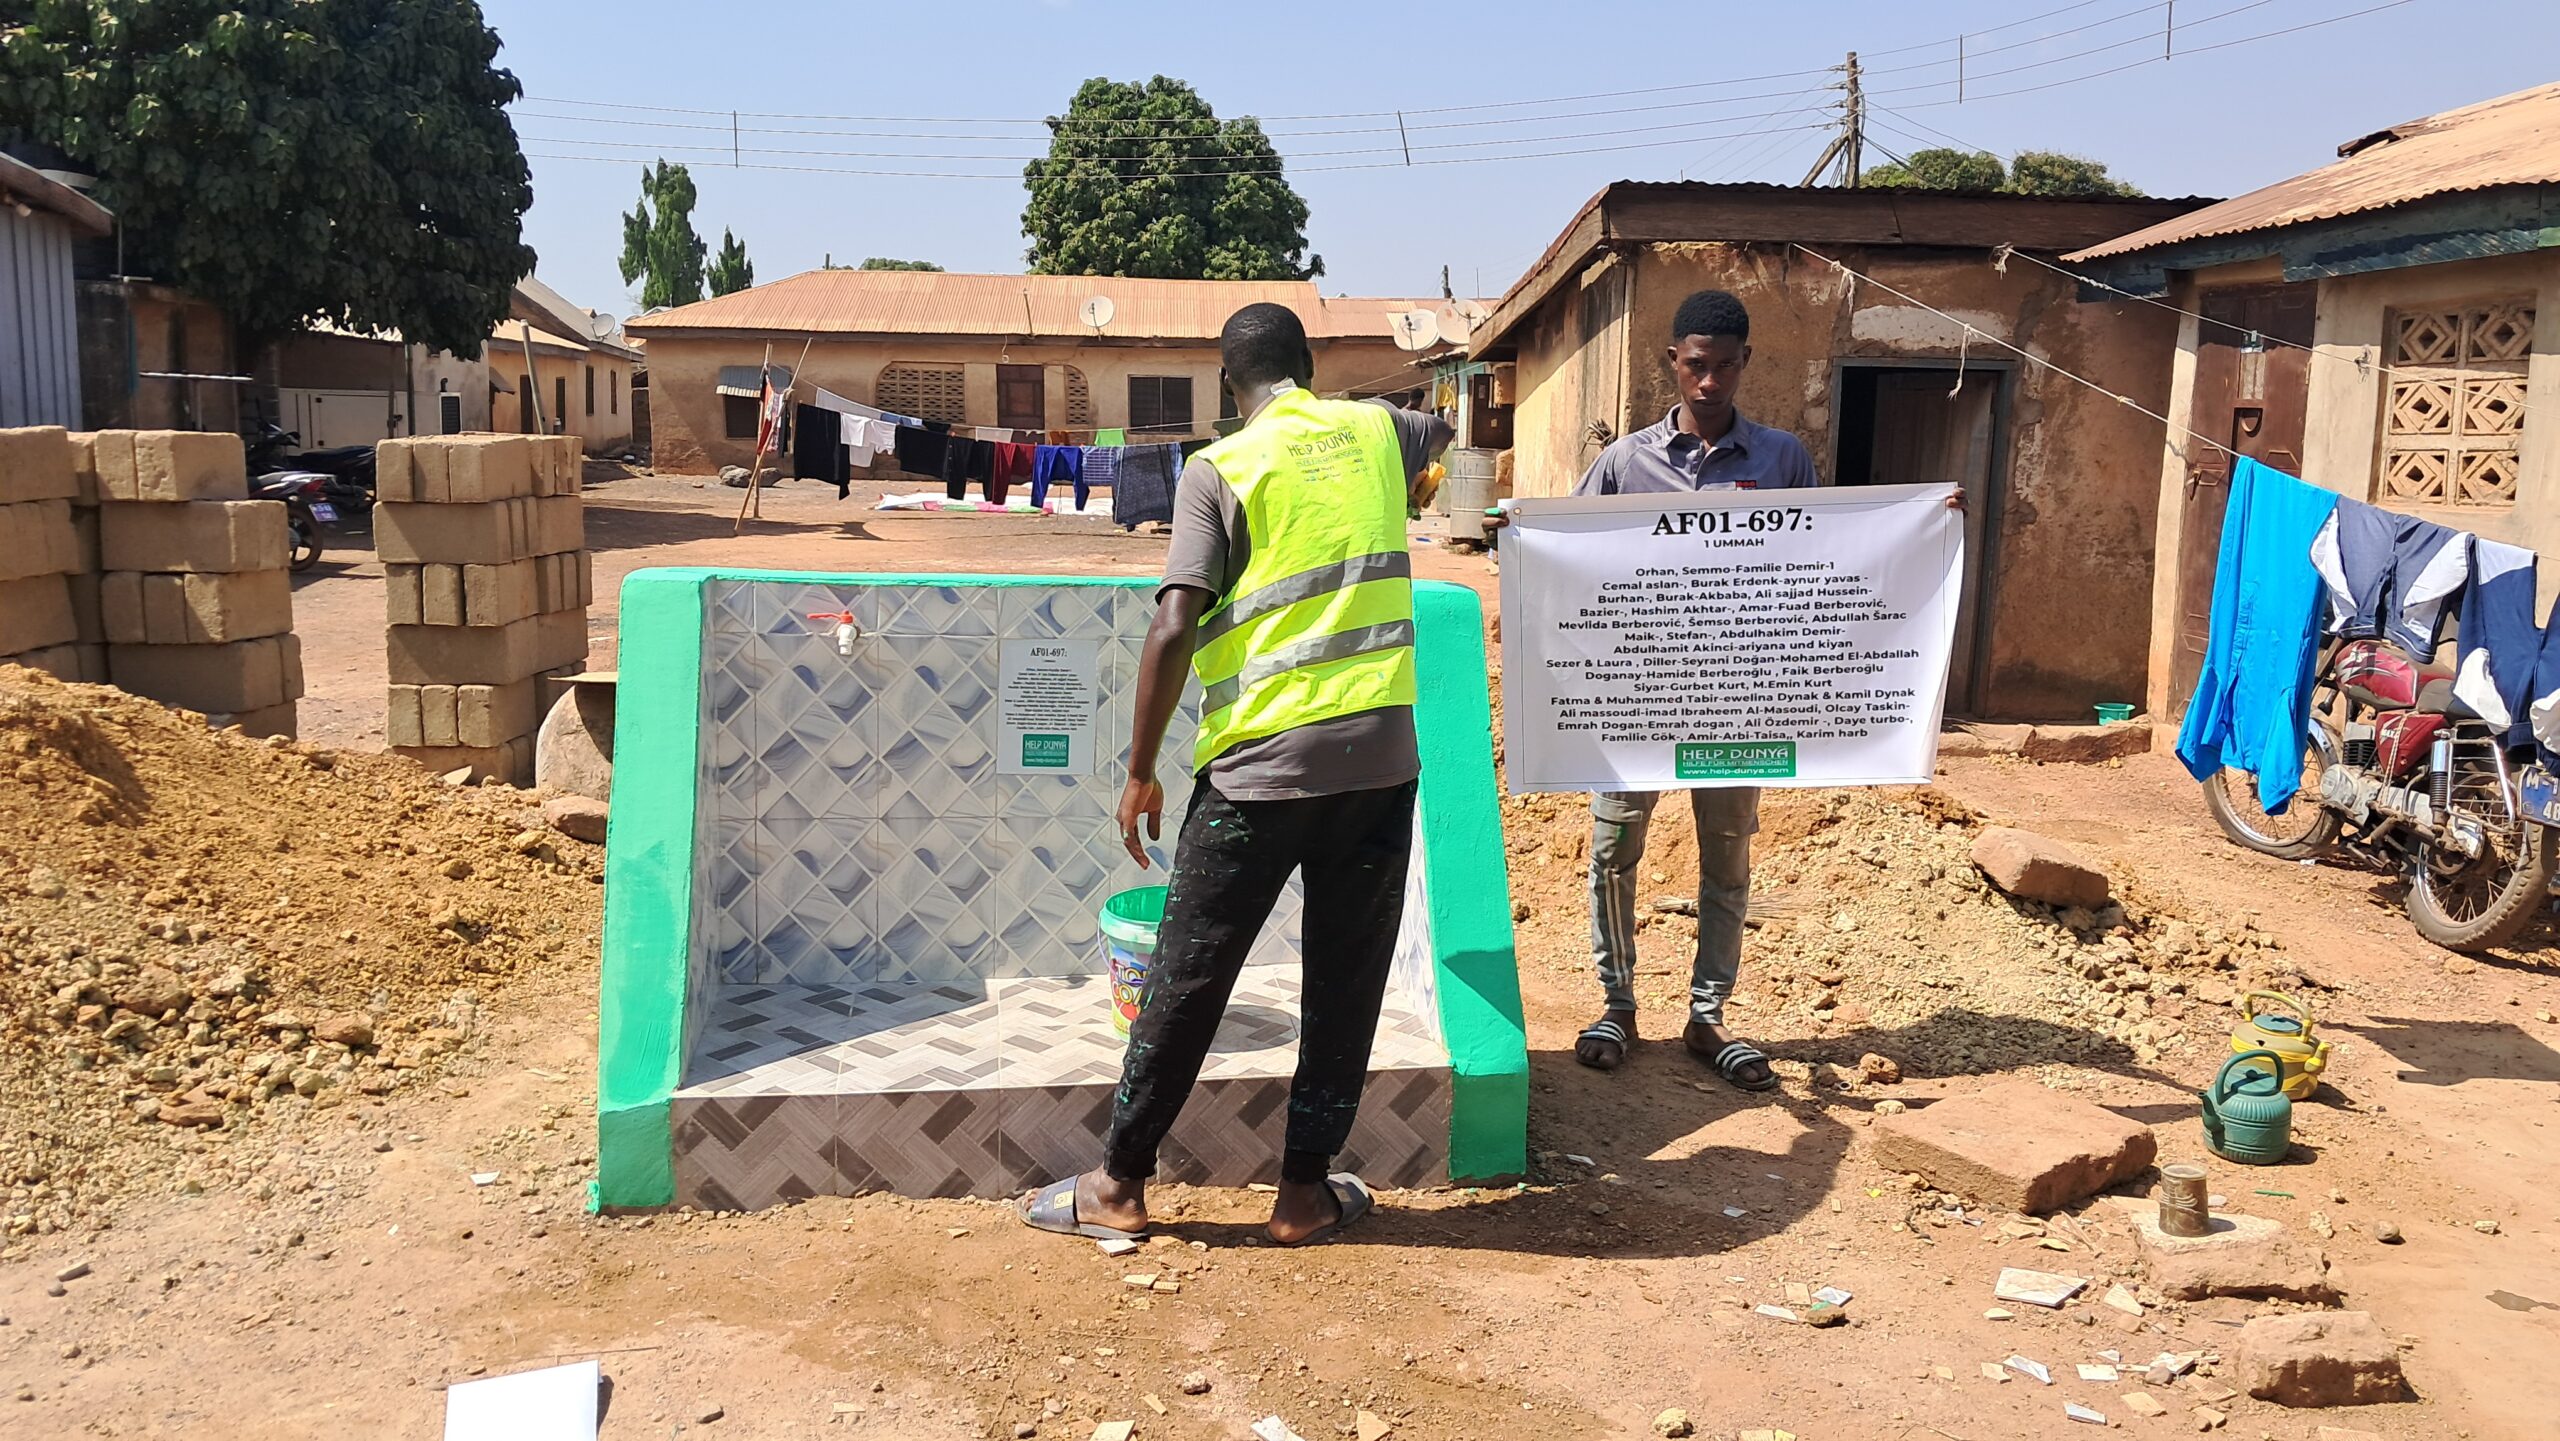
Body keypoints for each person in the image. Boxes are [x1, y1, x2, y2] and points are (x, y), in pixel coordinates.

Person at [1020, 302, 1453, 1246]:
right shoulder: (1380, 429)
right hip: (1378, 763)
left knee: (1188, 975)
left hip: (1258, 771)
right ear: (1310, 367)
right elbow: (1446, 428)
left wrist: (1140, 770)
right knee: (1345, 982)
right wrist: (1416, 485)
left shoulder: (1220, 468)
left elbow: (1176, 621)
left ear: (1229, 383)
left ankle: (1119, 1185)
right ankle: (1303, 1194)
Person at [1565, 289, 1813, 1090]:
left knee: (1728, 854)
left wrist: (1928, 520)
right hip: (1635, 692)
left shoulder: (1783, 460)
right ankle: (1617, 1006)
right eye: (1696, 365)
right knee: (1614, 849)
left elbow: (1834, 551)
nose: (1709, 382)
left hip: (1738, 694)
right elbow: (1569, 556)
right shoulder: (1623, 463)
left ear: (1745, 364)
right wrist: (1518, 536)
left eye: (1725, 367)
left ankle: (1708, 1017)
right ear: (1673, 361)